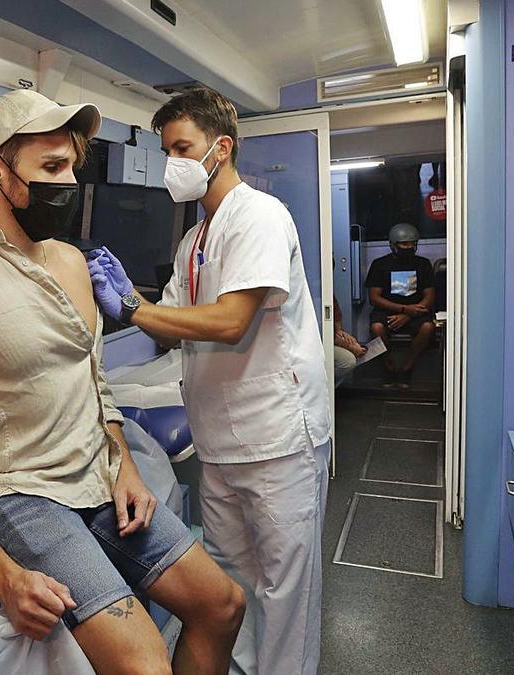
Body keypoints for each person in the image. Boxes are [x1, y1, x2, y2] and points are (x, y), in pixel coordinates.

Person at [0, 89, 244, 675]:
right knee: (143, 662)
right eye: (52, 168)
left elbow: (93, 381)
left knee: (222, 604)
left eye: (73, 167)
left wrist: (123, 465)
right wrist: (6, 579)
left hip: (96, 475)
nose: (71, 183)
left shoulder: (71, 263)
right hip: (21, 490)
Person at [86, 86, 332, 674]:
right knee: (230, 577)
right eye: (166, 149)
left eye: (181, 148)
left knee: (284, 588)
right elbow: (174, 327)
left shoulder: (260, 216)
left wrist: (135, 309)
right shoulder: (194, 240)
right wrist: (127, 299)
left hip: (276, 438)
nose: (172, 162)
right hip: (219, 442)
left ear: (220, 149)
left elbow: (231, 320)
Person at [365, 222, 435, 389]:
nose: (409, 247)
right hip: (388, 311)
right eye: (405, 244)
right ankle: (389, 367)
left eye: (413, 244)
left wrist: (409, 314)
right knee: (377, 328)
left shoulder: (423, 264)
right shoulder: (379, 264)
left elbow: (430, 296)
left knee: (428, 327)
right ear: (393, 245)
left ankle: (406, 368)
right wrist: (403, 309)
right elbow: (374, 298)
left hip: (415, 312)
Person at [333, 294, 366, 387]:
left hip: (331, 339)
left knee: (349, 359)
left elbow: (336, 317)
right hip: (316, 343)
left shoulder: (329, 294)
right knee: (347, 362)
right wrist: (350, 347)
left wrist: (340, 332)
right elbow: (326, 335)